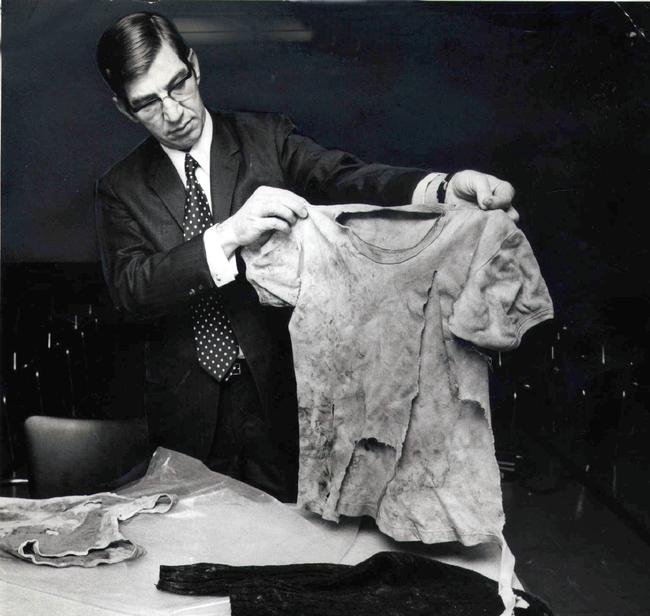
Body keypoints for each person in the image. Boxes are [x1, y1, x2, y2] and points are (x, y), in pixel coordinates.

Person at [95, 12, 517, 502]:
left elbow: (347, 176)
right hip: (185, 422)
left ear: (195, 65)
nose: (173, 112)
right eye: (148, 103)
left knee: (296, 557)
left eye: (178, 85)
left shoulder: (266, 139)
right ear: (124, 110)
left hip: (285, 406)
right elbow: (130, 290)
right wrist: (227, 236)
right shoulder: (119, 188)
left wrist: (442, 188)